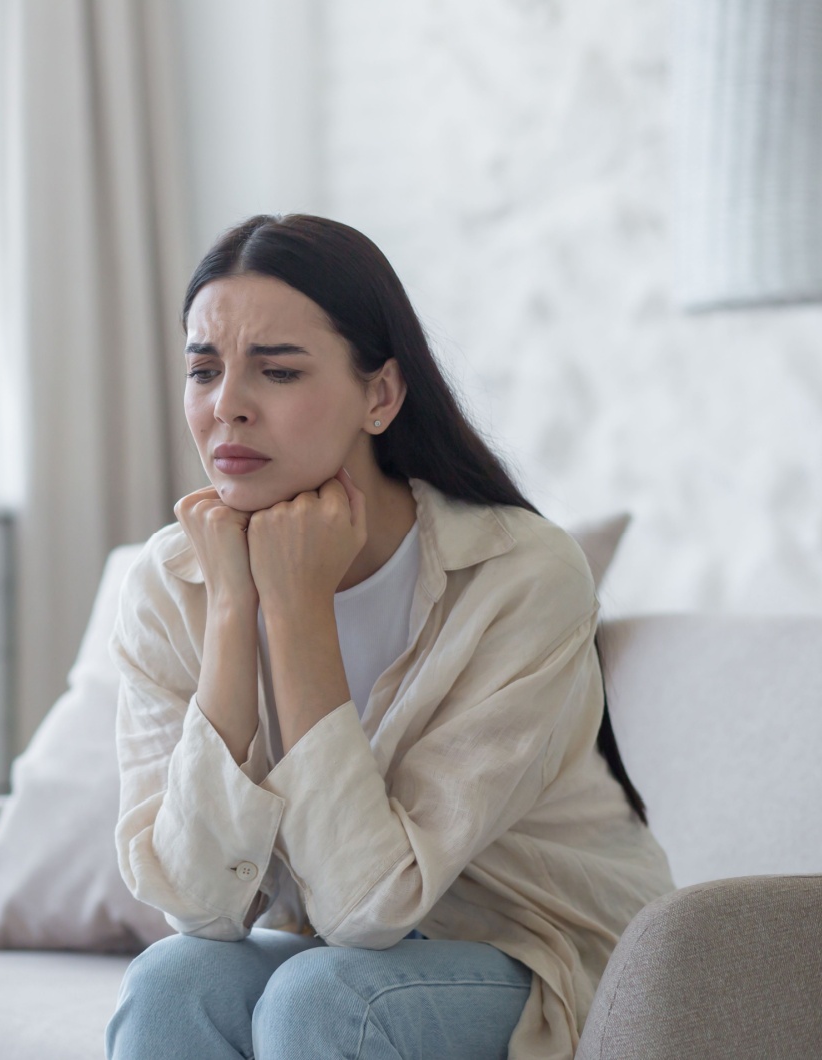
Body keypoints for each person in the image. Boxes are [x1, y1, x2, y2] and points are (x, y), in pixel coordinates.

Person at [104, 214, 675, 1060]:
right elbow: (200, 906)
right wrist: (233, 612)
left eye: (279, 370)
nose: (227, 406)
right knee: (170, 982)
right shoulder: (175, 580)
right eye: (204, 369)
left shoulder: (522, 577)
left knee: (326, 997)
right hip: (347, 956)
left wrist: (295, 612)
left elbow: (367, 908)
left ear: (381, 394)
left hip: (537, 955)